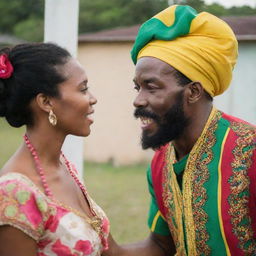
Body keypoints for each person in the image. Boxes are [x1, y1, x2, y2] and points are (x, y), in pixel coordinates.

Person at [103, 4, 256, 256]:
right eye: (137, 88)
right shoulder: (161, 162)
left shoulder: (249, 153)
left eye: (151, 86)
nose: (138, 100)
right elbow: (161, 245)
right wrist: (104, 246)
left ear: (193, 92)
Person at [0, 43, 110, 256]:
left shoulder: (64, 167)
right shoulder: (14, 192)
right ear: (46, 101)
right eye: (83, 89)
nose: (93, 98)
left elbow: (112, 252)